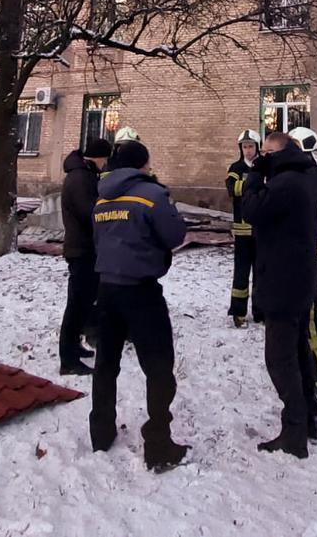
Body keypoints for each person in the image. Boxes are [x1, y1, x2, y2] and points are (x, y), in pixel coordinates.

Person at [89, 140, 191, 472]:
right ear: (142, 164)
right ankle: (158, 445)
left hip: (107, 289)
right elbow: (175, 234)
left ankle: (101, 432)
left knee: (106, 364)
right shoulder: (152, 195)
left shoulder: (102, 197)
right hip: (141, 292)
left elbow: (98, 240)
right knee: (159, 368)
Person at [242, 130, 317, 458]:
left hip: (282, 281)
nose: (260, 156)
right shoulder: (305, 176)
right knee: (299, 351)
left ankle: (294, 432)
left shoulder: (286, 182)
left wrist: (253, 176)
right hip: (298, 279)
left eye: (266, 152)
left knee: (279, 358)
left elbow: (252, 210)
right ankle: (308, 421)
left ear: (279, 154)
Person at [57, 138, 112, 375]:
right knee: (77, 305)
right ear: (99, 157)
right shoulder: (80, 178)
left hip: (86, 250)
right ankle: (68, 359)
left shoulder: (84, 174)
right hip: (81, 251)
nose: (106, 164)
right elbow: (90, 213)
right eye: (105, 159)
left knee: (83, 302)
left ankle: (74, 347)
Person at [288, 125, 317, 393]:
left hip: (309, 251)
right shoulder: (316, 172)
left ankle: (314, 368)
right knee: (309, 310)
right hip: (314, 249)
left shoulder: (309, 176)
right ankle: (316, 362)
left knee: (308, 312)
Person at [226, 128, 263, 326]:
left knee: (261, 273)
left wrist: (249, 185)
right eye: (244, 147)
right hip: (242, 231)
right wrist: (252, 185)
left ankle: (260, 311)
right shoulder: (235, 167)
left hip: (261, 229)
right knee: (241, 273)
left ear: (257, 146)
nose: (247, 150)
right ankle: (238, 312)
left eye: (250, 146)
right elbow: (232, 189)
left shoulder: (264, 166)